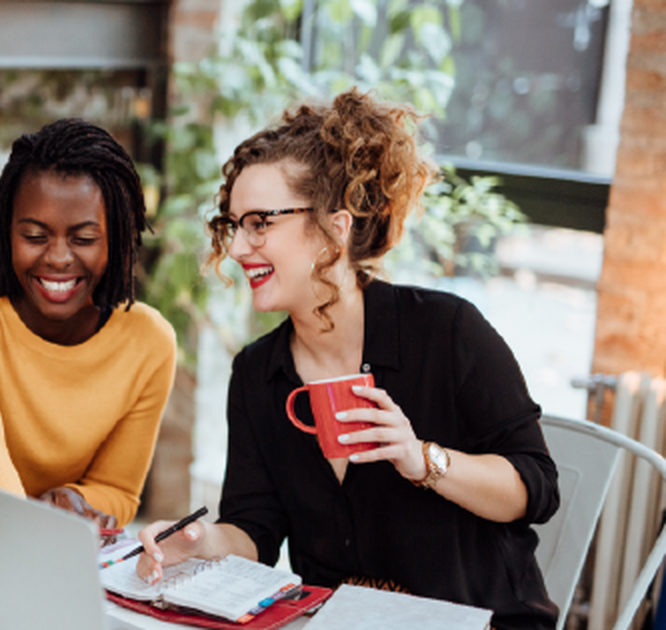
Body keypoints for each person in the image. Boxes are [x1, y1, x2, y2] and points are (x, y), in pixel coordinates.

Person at [134, 89, 559, 629]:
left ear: (335, 227)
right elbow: (256, 531)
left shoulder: (447, 331)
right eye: (234, 225)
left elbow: (536, 488)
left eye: (261, 223)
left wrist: (421, 458)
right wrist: (199, 542)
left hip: (480, 620)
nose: (238, 248)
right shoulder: (257, 374)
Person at [0, 118, 176, 530]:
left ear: (120, 240)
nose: (57, 258)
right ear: (6, 232)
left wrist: (76, 500)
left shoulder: (149, 342)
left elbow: (118, 491)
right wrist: (35, 522)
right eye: (35, 235)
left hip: (48, 551)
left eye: (85, 239)